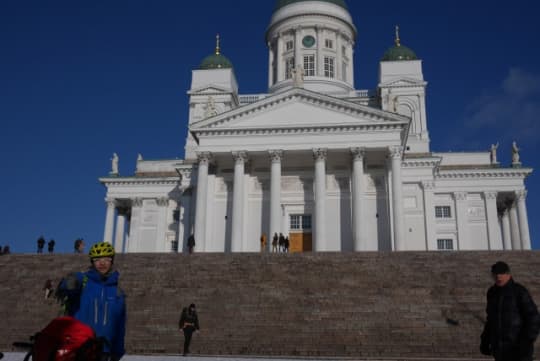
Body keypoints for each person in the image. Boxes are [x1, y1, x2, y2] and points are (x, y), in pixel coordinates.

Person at [57, 242, 126, 361]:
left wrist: (117, 352)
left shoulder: (118, 293)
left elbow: (120, 326)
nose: (102, 263)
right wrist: (68, 283)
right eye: (97, 259)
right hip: (79, 348)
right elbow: (67, 288)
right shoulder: (82, 281)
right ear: (92, 262)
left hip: (104, 351)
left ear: (112, 261)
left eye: (106, 259)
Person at [480, 261, 540, 361]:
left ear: (508, 274)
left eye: (501, 273)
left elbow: (533, 319)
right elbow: (490, 320)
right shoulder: (491, 293)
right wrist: (485, 341)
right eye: (495, 274)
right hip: (500, 352)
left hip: (519, 351)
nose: (498, 276)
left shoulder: (519, 291)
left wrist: (526, 343)